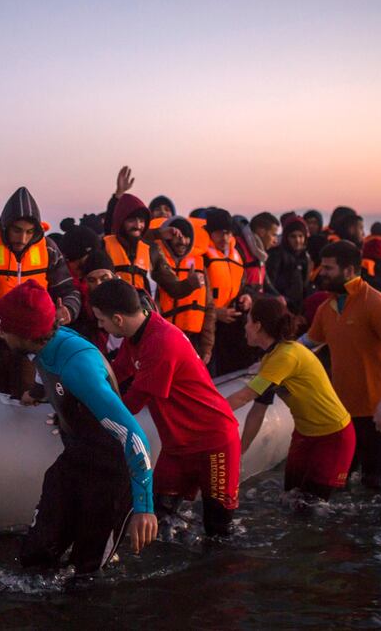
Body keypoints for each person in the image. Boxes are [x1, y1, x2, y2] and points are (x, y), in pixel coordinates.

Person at [0, 281, 157, 573]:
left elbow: (135, 437)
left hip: (112, 475)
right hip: (76, 460)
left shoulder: (78, 367)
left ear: (26, 334)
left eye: (4, 329)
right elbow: (50, 375)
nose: (0, 334)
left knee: (86, 574)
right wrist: (38, 394)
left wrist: (145, 508)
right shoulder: (46, 345)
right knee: (34, 556)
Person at [91, 280, 241, 536]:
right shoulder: (138, 334)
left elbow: (134, 402)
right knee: (160, 518)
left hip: (213, 443)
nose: (99, 326)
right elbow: (118, 370)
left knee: (218, 530)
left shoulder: (161, 342)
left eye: (101, 320)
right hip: (177, 446)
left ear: (117, 319)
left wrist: (88, 419)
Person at [302, 241, 381, 488]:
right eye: (323, 267)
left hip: (380, 412)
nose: (323, 273)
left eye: (329, 268)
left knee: (375, 484)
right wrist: (271, 359)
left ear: (350, 270)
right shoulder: (327, 307)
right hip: (345, 413)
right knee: (338, 481)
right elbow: (308, 343)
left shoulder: (376, 304)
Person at [225, 297, 355, 501]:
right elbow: (257, 411)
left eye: (248, 321)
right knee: (291, 499)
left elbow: (244, 397)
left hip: (333, 437)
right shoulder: (271, 358)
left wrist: (201, 416)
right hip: (304, 435)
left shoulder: (284, 357)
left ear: (258, 326)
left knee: (311, 508)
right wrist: (241, 452)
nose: (245, 327)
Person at [0, 186, 81, 397]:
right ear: (5, 226)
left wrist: (67, 310)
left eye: (29, 232)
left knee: (28, 400)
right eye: (17, 230)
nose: (22, 238)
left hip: (34, 348)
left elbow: (70, 291)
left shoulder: (48, 249)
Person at [152, 216, 216, 363]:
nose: (183, 241)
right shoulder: (155, 262)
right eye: (177, 237)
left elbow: (209, 309)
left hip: (194, 342)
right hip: (164, 340)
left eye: (187, 237)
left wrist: (207, 347)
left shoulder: (199, 265)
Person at [203, 208, 254, 376]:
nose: (224, 238)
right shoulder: (202, 256)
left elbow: (242, 284)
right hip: (208, 325)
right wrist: (215, 313)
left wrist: (246, 297)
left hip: (232, 325)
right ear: (210, 233)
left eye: (227, 233)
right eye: (218, 233)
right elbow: (195, 295)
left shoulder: (236, 255)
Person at [265, 215, 313, 314]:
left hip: (298, 310)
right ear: (286, 237)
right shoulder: (276, 256)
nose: (297, 240)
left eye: (301, 236)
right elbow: (269, 285)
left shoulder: (306, 258)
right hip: (281, 308)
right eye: (293, 236)